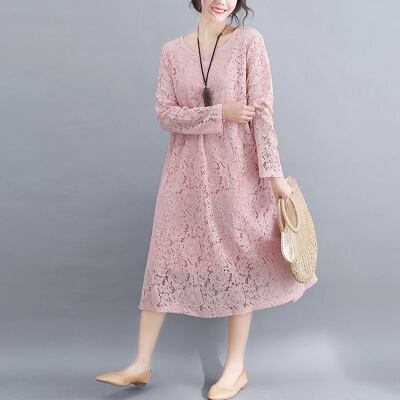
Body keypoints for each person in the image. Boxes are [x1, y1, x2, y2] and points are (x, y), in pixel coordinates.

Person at [96, 1, 318, 398]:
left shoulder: (249, 42)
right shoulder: (171, 51)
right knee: (164, 257)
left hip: (237, 171)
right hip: (183, 175)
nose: (223, 1)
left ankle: (235, 368)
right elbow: (164, 114)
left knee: (238, 259)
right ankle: (141, 363)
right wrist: (220, 112)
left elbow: (263, 114)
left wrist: (274, 177)